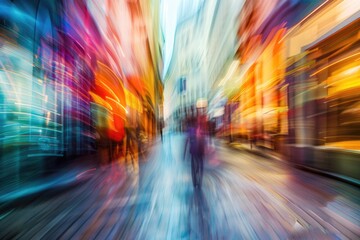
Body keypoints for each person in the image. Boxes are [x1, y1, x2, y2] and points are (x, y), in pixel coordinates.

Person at [184, 117, 205, 189]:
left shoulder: (190, 130)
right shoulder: (200, 129)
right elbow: (204, 139)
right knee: (199, 163)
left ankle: (195, 177)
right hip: (200, 150)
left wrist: (185, 153)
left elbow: (187, 141)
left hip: (193, 150)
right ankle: (198, 176)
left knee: (194, 163)